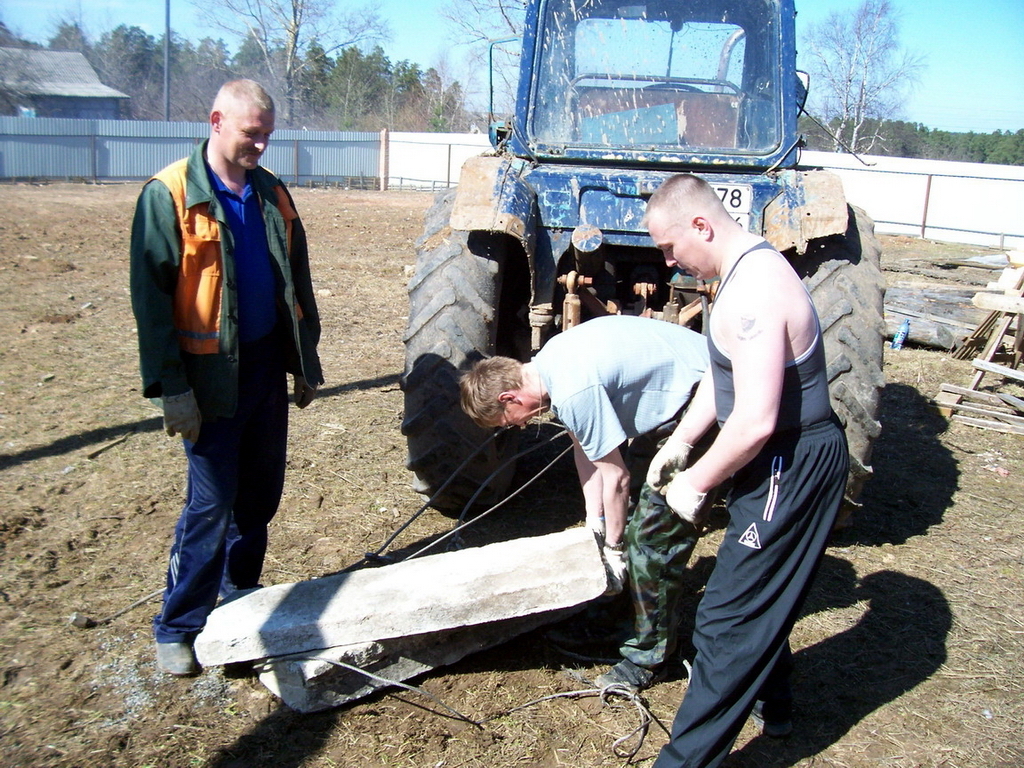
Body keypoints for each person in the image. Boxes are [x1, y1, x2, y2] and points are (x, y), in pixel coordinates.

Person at [642, 174, 849, 766]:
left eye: (669, 247)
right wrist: (682, 440)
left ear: (701, 226)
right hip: (774, 457)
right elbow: (724, 371)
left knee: (726, 620)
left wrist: (695, 482)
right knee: (756, 595)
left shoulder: (755, 290)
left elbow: (756, 420)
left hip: (791, 457)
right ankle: (775, 706)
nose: (668, 261)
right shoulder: (737, 275)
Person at [129, 79, 324, 676]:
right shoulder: (168, 196)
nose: (261, 146)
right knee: (211, 505)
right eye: (251, 134)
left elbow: (299, 281)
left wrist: (305, 360)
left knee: (260, 498)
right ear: (216, 121)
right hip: (209, 378)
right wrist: (173, 389)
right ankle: (178, 624)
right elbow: (152, 304)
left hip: (266, 367)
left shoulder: (273, 194)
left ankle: (239, 597)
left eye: (267, 135)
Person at [459, 314, 709, 691]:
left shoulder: (572, 389)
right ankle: (616, 618)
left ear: (508, 398)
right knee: (630, 523)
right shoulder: (551, 362)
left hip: (707, 400)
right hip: (671, 403)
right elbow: (587, 451)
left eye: (507, 421)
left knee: (654, 540)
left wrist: (614, 548)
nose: (518, 427)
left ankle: (651, 656)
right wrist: (595, 521)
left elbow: (617, 478)